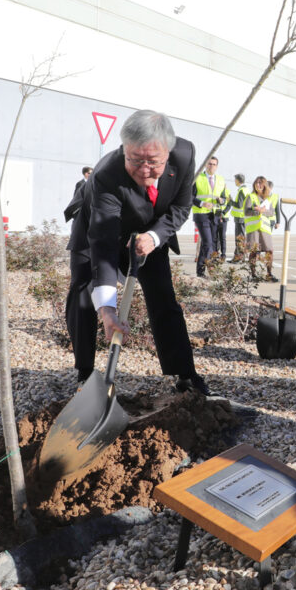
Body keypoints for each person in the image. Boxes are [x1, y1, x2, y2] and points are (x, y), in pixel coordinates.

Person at [65, 109, 218, 396]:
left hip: (148, 230)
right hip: (96, 229)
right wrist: (108, 310)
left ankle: (184, 374)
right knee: (84, 293)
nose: (144, 169)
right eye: (135, 160)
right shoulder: (107, 175)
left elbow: (181, 208)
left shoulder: (185, 154)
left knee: (163, 296)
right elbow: (104, 243)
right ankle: (84, 374)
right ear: (124, 149)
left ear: (168, 152)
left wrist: (154, 236)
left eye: (153, 162)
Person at [192, 156, 227, 277]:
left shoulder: (221, 180)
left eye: (214, 164)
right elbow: (189, 196)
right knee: (207, 243)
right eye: (209, 164)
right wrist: (202, 203)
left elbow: (224, 198)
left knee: (209, 244)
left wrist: (222, 201)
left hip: (215, 215)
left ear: (217, 166)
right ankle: (207, 269)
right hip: (201, 214)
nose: (211, 166)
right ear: (206, 165)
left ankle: (202, 271)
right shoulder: (197, 178)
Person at [244, 175, 279, 282]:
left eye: (261, 183)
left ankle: (269, 274)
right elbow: (246, 211)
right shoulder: (251, 196)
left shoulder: (267, 198)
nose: (258, 185)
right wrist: (257, 210)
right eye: (257, 183)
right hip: (254, 229)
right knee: (254, 252)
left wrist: (263, 211)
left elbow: (272, 212)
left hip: (265, 229)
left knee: (270, 251)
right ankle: (253, 275)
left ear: (265, 185)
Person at [228, 173, 249, 262]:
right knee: (241, 237)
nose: (234, 181)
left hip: (240, 218)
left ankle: (238, 258)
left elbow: (239, 205)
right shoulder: (246, 189)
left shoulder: (241, 191)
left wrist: (230, 201)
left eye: (235, 179)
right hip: (243, 217)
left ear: (238, 180)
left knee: (239, 238)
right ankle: (241, 257)